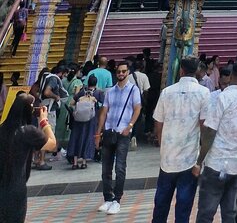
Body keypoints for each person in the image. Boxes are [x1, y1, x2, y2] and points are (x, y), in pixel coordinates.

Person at [194, 59, 237, 223]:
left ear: (231, 76)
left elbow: (210, 131)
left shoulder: (223, 97)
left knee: (206, 213)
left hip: (216, 163)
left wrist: (199, 161)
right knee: (230, 213)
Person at [151, 56, 211, 223]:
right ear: (197, 70)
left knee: (161, 204)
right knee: (184, 207)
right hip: (189, 158)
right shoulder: (204, 93)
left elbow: (158, 122)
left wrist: (163, 143)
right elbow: (204, 127)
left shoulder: (167, 92)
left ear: (181, 70)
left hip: (168, 157)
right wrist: (201, 159)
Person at [94, 60, 143, 215]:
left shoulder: (133, 90)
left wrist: (129, 126)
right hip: (109, 131)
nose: (121, 74)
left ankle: (117, 199)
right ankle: (108, 198)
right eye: (118, 71)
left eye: (123, 71)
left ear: (128, 72)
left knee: (120, 167)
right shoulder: (110, 91)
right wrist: (98, 133)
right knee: (106, 168)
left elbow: (137, 108)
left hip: (123, 132)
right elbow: (104, 112)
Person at [0, 92, 57, 223]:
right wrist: (44, 122)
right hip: (16, 190)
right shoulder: (28, 132)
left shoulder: (2, 129)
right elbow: (52, 145)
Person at [69, 74, 101, 169]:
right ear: (96, 83)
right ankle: (84, 162)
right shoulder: (98, 93)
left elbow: (71, 103)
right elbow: (103, 105)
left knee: (76, 138)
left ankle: (75, 163)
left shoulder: (82, 92)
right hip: (90, 120)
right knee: (87, 138)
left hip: (78, 120)